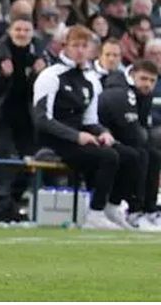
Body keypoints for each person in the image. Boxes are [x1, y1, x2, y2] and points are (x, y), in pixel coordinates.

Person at [31, 25, 136, 230]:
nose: (80, 50)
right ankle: (94, 214)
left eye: (84, 46)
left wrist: (103, 133)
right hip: (54, 140)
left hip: (81, 137)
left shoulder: (91, 80)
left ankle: (111, 207)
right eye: (75, 45)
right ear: (65, 47)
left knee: (130, 155)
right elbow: (42, 119)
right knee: (109, 157)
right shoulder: (50, 75)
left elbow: (90, 120)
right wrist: (76, 136)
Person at [96, 60, 161, 230]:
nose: (148, 84)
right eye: (144, 79)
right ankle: (134, 211)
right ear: (132, 75)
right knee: (140, 154)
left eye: (152, 81)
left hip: (121, 138)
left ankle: (150, 211)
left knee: (153, 155)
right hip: (101, 137)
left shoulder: (143, 94)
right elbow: (131, 132)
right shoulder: (121, 92)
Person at [0, 16, 44, 158]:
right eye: (18, 29)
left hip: (28, 114)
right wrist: (3, 76)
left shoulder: (40, 52)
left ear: (33, 32)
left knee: (30, 155)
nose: (22, 34)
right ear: (10, 31)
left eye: (27, 30)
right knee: (2, 159)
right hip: (0, 114)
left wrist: (37, 74)